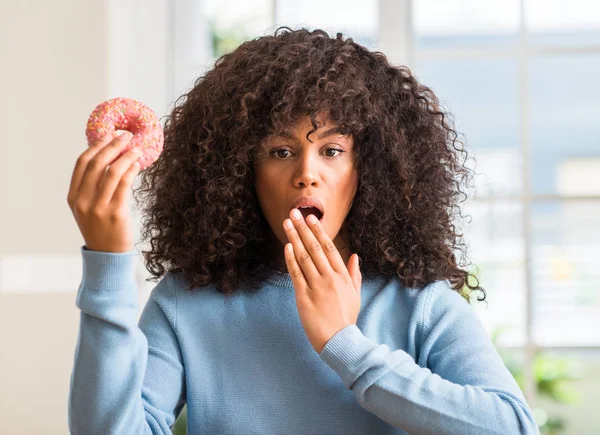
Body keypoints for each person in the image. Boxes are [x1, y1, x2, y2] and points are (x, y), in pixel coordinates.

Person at [67, 27, 539, 434]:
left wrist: (346, 346)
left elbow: (512, 426)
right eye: (279, 151)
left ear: (366, 169)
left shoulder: (419, 303)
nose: (306, 174)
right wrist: (106, 265)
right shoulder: (185, 303)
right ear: (240, 173)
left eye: (331, 150)